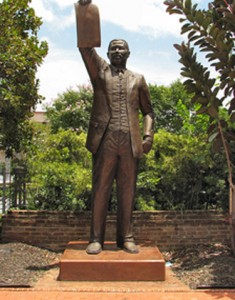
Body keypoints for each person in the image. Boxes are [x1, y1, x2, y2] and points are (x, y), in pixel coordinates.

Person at [77, 0, 154, 254]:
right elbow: (86, 47)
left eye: (122, 48)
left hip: (130, 141)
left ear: (128, 53)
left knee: (127, 191)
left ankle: (127, 237)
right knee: (100, 189)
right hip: (105, 139)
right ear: (108, 54)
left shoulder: (139, 79)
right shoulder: (99, 71)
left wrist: (147, 135)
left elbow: (149, 112)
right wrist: (86, 11)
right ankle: (96, 238)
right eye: (113, 48)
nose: (117, 51)